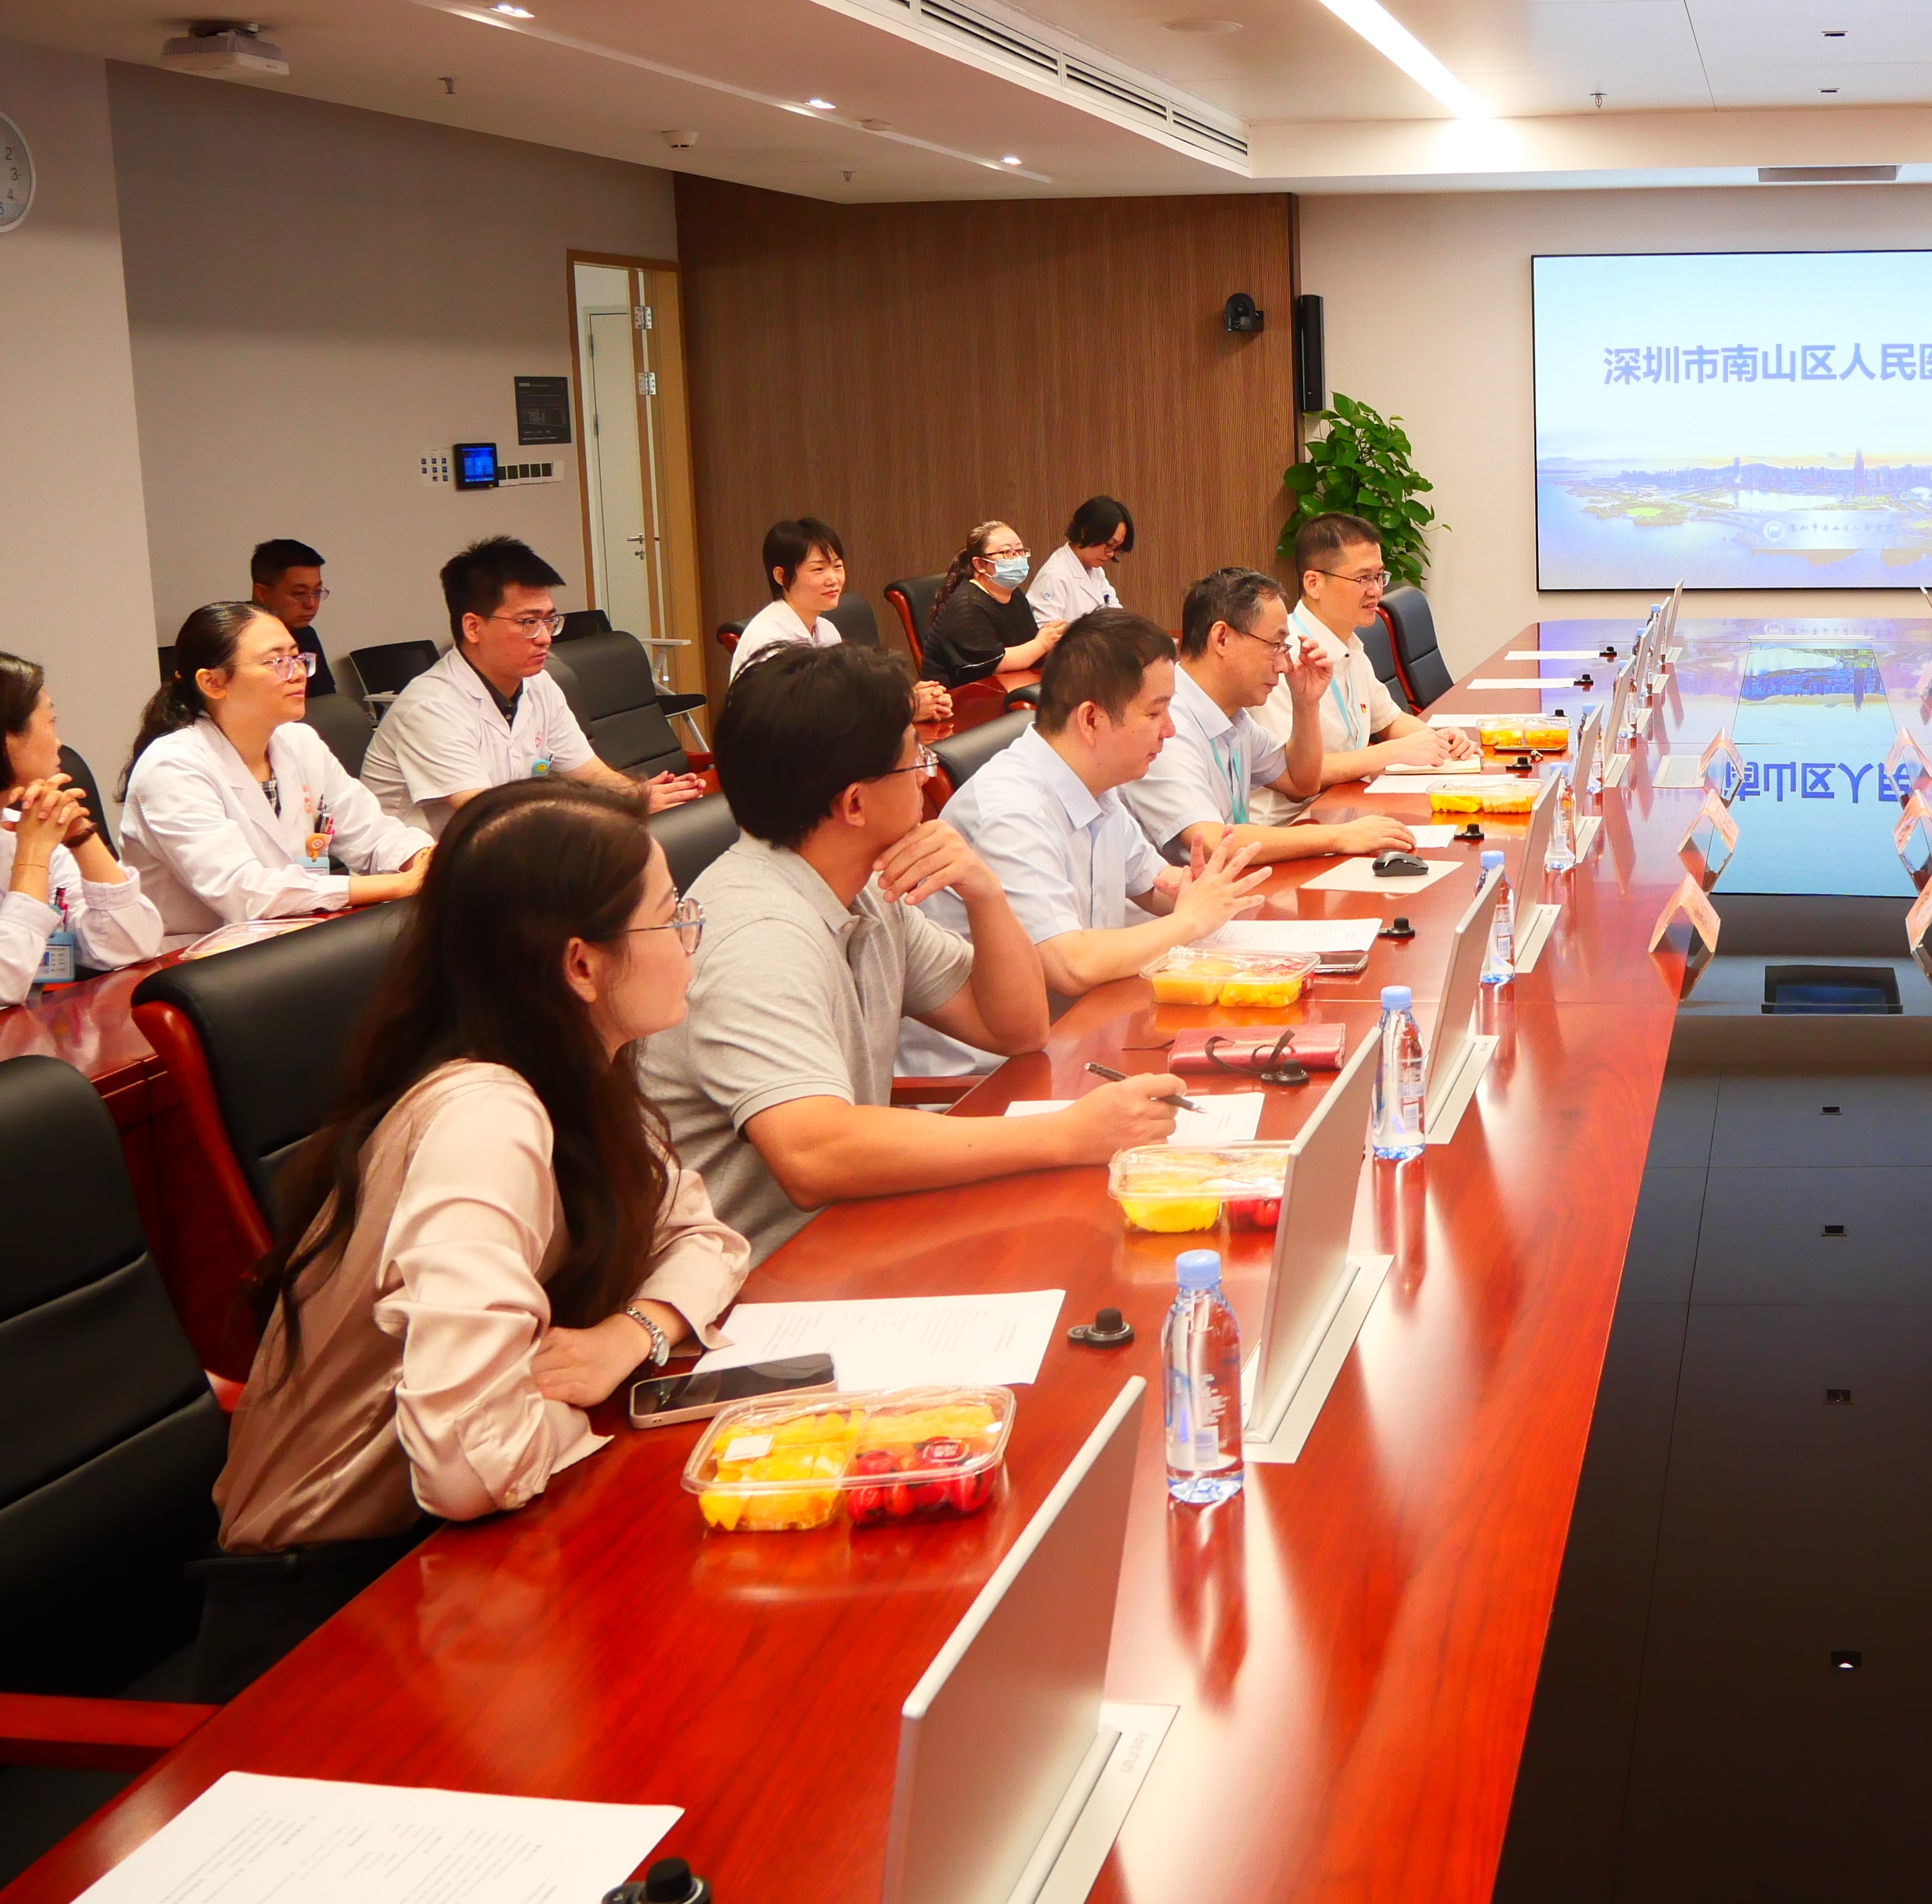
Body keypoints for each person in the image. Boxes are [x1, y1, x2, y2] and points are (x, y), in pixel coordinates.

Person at [199, 779, 751, 1696]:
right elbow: (464, 1463)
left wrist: (630, 1338)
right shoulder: (484, 1120)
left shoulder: (577, 1073)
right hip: (330, 1630)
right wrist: (569, 1407)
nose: (691, 942)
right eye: (670, 918)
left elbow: (705, 1239)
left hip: (466, 1566)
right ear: (582, 965)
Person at [638, 643, 1181, 1256]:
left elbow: (1018, 1028)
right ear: (854, 803)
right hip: (753, 1283)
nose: (927, 776)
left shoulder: (867, 888)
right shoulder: (759, 933)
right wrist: (1067, 1135)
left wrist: (985, 894)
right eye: (912, 761)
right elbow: (815, 1154)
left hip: (853, 1233)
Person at [900, 611, 1275, 1071]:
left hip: (1082, 1037)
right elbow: (1068, 964)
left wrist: (1202, 891)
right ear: (1092, 720)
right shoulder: (1012, 810)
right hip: (991, 1078)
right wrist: (1190, 921)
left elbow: (1157, 887)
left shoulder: (1096, 782)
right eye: (1155, 712)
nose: (1170, 730)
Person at [122, 601, 432, 945]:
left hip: (291, 937)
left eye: (298, 658)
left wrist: (425, 861)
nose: (298, 673)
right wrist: (399, 885)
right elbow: (244, 892)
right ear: (212, 682)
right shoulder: (172, 767)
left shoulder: (299, 741)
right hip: (194, 956)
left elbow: (374, 835)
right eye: (277, 662)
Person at [363, 538, 701, 830]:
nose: (544, 639)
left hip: (502, 855)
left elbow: (588, 772)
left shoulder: (538, 683)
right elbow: (487, 815)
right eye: (527, 622)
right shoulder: (430, 708)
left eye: (548, 621)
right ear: (473, 628)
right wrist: (616, 810)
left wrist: (641, 795)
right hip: (414, 883)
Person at [1117, 568, 1417, 867]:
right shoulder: (1168, 726)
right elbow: (1210, 842)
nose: (1284, 664)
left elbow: (1302, 783)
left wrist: (1306, 704)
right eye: (1275, 646)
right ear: (1222, 639)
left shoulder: (1233, 717)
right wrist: (1339, 837)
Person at [1253, 512, 1476, 821]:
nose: (1376, 591)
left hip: (1344, 807)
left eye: (1379, 577)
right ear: (1314, 583)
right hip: (1290, 823)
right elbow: (1294, 774)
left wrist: (1439, 740)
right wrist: (1394, 752)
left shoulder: (1351, 644)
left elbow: (1389, 721)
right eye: (1363, 579)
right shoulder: (1285, 655)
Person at [3, 651, 160, 1004]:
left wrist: (80, 836)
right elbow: (4, 981)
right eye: (51, 721)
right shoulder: (30, 842)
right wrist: (31, 857)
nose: (59, 743)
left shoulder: (25, 830)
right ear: (8, 739)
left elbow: (133, 946)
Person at [731, 516, 953, 722]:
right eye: (818, 570)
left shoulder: (826, 629)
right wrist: (904, 709)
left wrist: (904, 699)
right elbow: (804, 722)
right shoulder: (768, 641)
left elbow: (844, 702)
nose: (833, 579)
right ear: (781, 576)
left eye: (837, 567)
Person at [921, 519, 1067, 691]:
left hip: (1006, 684)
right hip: (959, 698)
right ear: (980, 564)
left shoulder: (1015, 595)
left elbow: (1027, 644)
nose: (1018, 558)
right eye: (1008, 553)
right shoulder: (967, 606)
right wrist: (1042, 644)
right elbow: (995, 663)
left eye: (1021, 551)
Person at [1029, 496, 1135, 626]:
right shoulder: (1054, 576)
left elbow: (1116, 616)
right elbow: (1046, 636)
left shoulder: (1095, 571)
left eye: (1116, 549)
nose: (1111, 554)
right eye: (1109, 545)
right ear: (1086, 531)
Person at [250, 539, 332, 694]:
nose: (311, 604)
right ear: (261, 593)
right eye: (299, 593)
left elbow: (325, 701)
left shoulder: (305, 634)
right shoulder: (233, 636)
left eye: (317, 592)